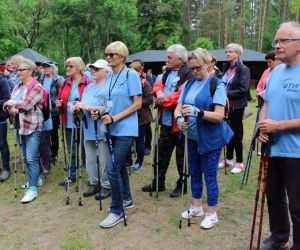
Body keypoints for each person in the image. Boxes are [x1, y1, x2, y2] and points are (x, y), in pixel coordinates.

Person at [174, 48, 232, 229]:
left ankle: (212, 213)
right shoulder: (189, 84)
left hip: (210, 139)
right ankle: (196, 206)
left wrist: (198, 112)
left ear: (208, 64)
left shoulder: (217, 85)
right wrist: (178, 119)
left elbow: (219, 115)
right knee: (194, 172)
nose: (195, 71)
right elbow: (178, 106)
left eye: (198, 67)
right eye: (192, 68)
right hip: (191, 137)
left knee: (210, 175)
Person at [257, 21, 300, 250]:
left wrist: (279, 126)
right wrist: (263, 126)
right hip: (273, 148)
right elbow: (267, 102)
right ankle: (279, 237)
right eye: (276, 41)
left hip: (297, 152)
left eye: (283, 41)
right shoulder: (275, 72)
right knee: (273, 197)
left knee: (298, 205)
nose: (277, 46)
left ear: (299, 44)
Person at [94, 41, 142, 228]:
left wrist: (115, 118)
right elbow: (109, 103)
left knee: (113, 168)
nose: (108, 57)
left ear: (122, 56)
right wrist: (100, 112)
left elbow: (137, 104)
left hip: (125, 128)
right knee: (119, 167)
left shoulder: (131, 75)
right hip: (110, 128)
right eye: (107, 54)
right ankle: (126, 199)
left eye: (112, 54)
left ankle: (116, 211)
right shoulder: (111, 77)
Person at [141, 44, 193, 198]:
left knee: (181, 157)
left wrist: (162, 99)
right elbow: (156, 86)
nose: (166, 60)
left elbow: (178, 98)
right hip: (165, 122)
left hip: (181, 124)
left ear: (180, 59)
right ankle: (158, 182)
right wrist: (158, 92)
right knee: (160, 153)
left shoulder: (189, 74)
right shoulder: (167, 72)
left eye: (169, 57)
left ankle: (181, 185)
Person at [3, 58, 44, 203]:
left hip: (33, 126)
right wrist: (12, 107)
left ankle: (32, 189)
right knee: (26, 157)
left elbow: (26, 105)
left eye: (21, 70)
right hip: (20, 126)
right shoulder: (17, 87)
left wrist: (13, 104)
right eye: (17, 69)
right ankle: (36, 179)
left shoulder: (36, 86)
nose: (18, 72)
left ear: (31, 71)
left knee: (31, 157)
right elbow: (10, 105)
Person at [71, 59, 112, 199]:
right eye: (92, 68)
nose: (93, 70)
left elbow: (108, 107)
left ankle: (107, 185)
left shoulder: (110, 86)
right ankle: (94, 183)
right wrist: (77, 108)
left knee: (104, 159)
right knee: (90, 158)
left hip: (103, 128)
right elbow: (84, 105)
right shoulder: (89, 87)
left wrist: (88, 108)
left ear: (106, 71)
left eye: (97, 68)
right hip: (88, 128)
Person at [56, 57, 92, 186]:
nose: (68, 69)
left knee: (87, 149)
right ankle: (71, 176)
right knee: (71, 148)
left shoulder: (88, 82)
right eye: (67, 66)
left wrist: (81, 104)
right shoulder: (65, 82)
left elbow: (93, 100)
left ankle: (91, 177)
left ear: (78, 67)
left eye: (70, 66)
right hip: (68, 119)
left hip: (84, 119)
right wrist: (59, 102)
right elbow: (60, 97)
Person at [218, 43, 250, 174]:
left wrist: (224, 93)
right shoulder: (226, 67)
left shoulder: (243, 69)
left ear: (238, 54)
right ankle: (229, 159)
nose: (227, 53)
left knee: (237, 134)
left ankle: (240, 163)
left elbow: (243, 89)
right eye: (227, 51)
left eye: (230, 51)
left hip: (237, 106)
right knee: (227, 132)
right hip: (225, 105)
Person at [128, 60, 153, 172]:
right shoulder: (127, 82)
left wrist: (136, 103)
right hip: (129, 117)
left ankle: (139, 162)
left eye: (133, 70)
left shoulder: (145, 83)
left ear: (139, 71)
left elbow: (149, 99)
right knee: (128, 141)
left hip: (142, 118)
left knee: (139, 142)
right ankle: (127, 162)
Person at [40, 61, 63, 162]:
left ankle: (54, 153)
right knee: (44, 132)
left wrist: (53, 105)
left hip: (53, 111)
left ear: (52, 68)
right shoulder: (40, 80)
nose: (46, 68)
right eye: (44, 67)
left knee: (53, 133)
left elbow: (60, 95)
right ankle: (46, 152)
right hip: (42, 111)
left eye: (48, 67)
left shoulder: (57, 80)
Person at [0, 75, 11, 181]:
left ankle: (6, 169)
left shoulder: (2, 81)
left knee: (2, 144)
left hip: (0, 119)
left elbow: (7, 100)